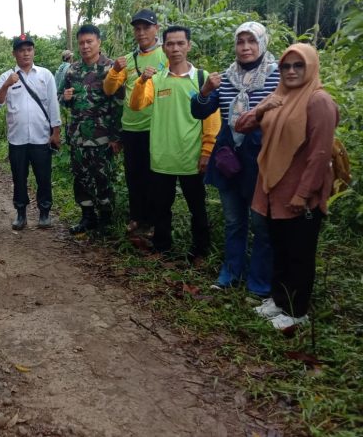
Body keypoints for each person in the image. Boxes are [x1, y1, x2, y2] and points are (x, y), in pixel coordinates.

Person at [235, 44, 338, 330]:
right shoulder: (279, 96)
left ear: (311, 67)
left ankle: (297, 310)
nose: (291, 71)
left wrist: (303, 193)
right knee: (279, 247)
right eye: (286, 66)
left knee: (299, 253)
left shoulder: (318, 101)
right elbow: (241, 126)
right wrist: (261, 108)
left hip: (299, 192)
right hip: (273, 188)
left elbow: (320, 154)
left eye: (298, 65)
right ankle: (279, 299)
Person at [191, 22, 279, 295]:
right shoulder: (226, 77)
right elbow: (199, 111)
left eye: (251, 41)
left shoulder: (277, 76)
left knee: (261, 224)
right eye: (240, 42)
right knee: (233, 221)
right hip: (230, 160)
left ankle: (259, 283)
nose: (245, 47)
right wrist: (205, 91)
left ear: (262, 43)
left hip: (262, 161)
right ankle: (230, 273)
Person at [129, 26, 220, 261]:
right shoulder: (157, 79)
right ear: (164, 47)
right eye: (170, 44)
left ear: (189, 45)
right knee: (161, 208)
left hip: (192, 156)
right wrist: (141, 81)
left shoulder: (202, 78)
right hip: (162, 156)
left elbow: (211, 120)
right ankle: (162, 248)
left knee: (197, 208)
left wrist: (207, 151)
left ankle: (200, 251)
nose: (175, 48)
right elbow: (137, 105)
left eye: (180, 43)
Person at [103, 9, 168, 237]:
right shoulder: (128, 60)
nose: (141, 33)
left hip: (156, 127)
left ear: (156, 29)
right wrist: (115, 70)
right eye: (137, 29)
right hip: (130, 127)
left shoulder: (166, 55)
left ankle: (152, 222)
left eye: (146, 28)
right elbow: (109, 89)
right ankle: (136, 217)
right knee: (134, 175)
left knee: (154, 176)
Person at [0, 34, 62, 230]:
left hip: (41, 137)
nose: (25, 53)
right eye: (21, 50)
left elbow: (53, 104)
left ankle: (45, 212)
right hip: (17, 139)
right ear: (14, 53)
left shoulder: (45, 75)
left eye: (29, 49)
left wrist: (56, 132)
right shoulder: (6, 76)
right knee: (19, 178)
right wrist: (7, 84)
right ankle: (21, 213)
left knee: (43, 177)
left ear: (33, 51)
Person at [60, 24, 123, 235]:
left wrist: (116, 137)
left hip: (102, 136)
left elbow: (118, 104)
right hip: (78, 135)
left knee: (103, 177)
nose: (85, 46)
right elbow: (64, 99)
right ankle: (88, 216)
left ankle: (106, 218)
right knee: (81, 177)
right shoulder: (72, 70)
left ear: (99, 42)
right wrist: (66, 98)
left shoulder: (111, 69)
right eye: (81, 43)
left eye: (89, 42)